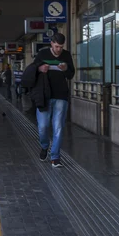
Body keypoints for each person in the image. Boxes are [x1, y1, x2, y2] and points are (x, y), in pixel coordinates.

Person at [34, 33, 75, 168]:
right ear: (51, 43)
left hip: (61, 96)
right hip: (44, 96)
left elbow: (71, 75)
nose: (59, 49)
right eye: (57, 46)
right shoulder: (42, 54)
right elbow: (32, 71)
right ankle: (45, 146)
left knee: (58, 127)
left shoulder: (66, 55)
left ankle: (55, 157)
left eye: (61, 47)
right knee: (43, 126)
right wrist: (40, 68)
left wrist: (66, 69)